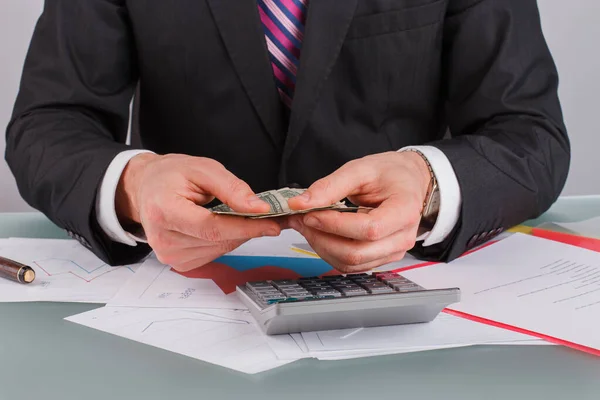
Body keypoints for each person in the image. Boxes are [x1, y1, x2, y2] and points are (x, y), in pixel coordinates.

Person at [5, 0, 569, 274]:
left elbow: (530, 133)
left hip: (405, 288)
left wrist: (429, 186)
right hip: (183, 293)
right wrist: (132, 187)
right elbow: (48, 121)